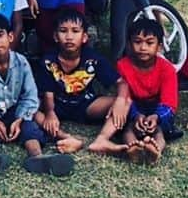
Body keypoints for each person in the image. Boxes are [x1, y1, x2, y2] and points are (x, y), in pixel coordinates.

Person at [0, 14, 73, 176]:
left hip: (16, 112)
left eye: (0, 35)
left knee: (30, 124)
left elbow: (30, 96)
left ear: (10, 36)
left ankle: (37, 157)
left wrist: (20, 119)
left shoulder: (22, 62)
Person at [33, 9, 125, 154]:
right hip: (57, 105)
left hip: (86, 104)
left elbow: (121, 83)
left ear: (84, 37)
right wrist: (50, 112)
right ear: (56, 36)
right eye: (63, 31)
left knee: (126, 102)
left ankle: (102, 139)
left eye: (75, 31)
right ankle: (66, 137)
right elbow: (47, 92)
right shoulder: (48, 60)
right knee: (29, 108)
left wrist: (120, 100)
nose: (69, 37)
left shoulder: (93, 59)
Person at [89, 18, 176, 163]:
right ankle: (133, 148)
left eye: (149, 43)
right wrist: (136, 116)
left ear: (159, 47)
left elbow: (169, 103)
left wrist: (156, 117)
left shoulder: (167, 69)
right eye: (137, 42)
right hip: (134, 108)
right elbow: (124, 98)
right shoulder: (123, 65)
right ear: (129, 44)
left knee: (158, 131)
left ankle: (155, 150)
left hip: (158, 111)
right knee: (128, 128)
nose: (143, 47)